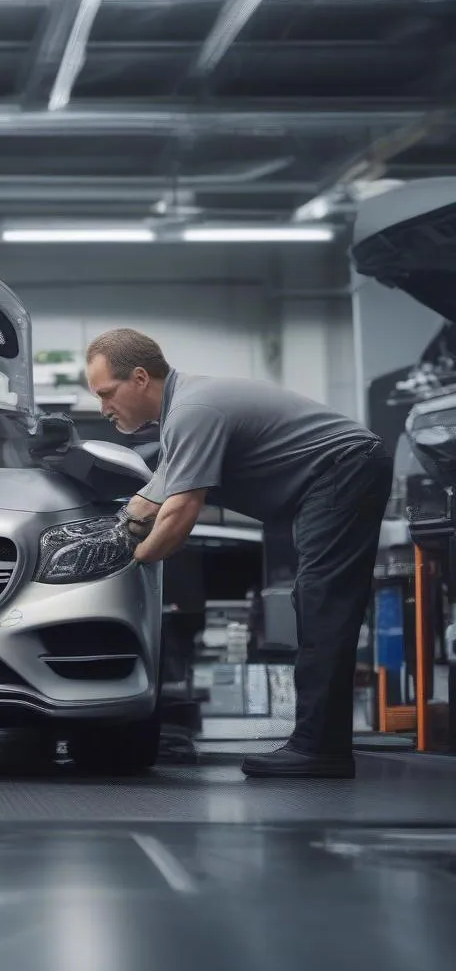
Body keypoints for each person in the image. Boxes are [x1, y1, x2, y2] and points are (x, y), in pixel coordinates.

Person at [85, 328, 393, 778]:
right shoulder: (180, 417)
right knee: (314, 601)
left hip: (344, 469)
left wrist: (127, 566)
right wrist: (107, 538)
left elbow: (177, 518)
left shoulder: (192, 411)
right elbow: (148, 502)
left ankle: (320, 749)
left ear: (139, 379)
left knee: (323, 604)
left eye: (106, 393)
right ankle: (321, 742)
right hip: (330, 478)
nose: (103, 408)